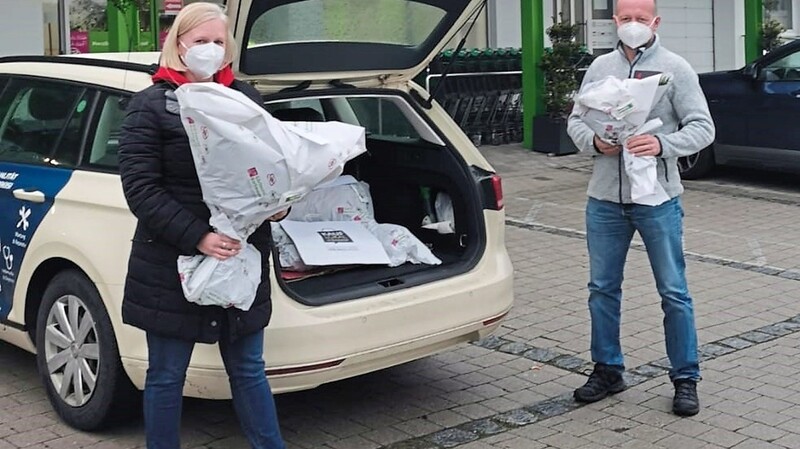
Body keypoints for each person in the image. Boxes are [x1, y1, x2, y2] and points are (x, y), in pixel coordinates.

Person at [118, 3, 286, 447]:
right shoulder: (150, 106)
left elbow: (275, 168)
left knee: (249, 369)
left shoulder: (245, 99)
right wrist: (198, 237)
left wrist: (280, 206)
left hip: (241, 258)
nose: (210, 50)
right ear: (178, 45)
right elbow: (141, 189)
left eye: (218, 41)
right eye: (200, 41)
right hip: (172, 265)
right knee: (167, 374)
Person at [566, 0, 714, 417]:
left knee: (674, 292)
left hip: (658, 200)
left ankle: (686, 377)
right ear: (615, 21)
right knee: (601, 290)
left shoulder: (676, 68)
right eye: (625, 18)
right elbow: (576, 119)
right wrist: (594, 143)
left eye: (641, 19)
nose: (633, 25)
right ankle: (608, 369)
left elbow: (703, 127)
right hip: (605, 199)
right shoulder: (599, 68)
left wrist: (663, 145)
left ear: (656, 22)